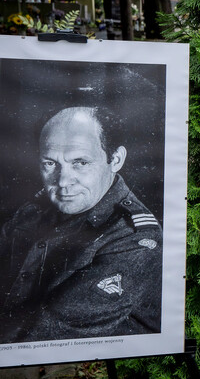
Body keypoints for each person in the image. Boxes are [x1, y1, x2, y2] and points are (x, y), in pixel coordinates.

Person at [0, 106, 162, 342]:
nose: (63, 181)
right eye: (50, 164)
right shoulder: (33, 211)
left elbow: (46, 333)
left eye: (80, 163)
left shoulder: (135, 239)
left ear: (115, 159)